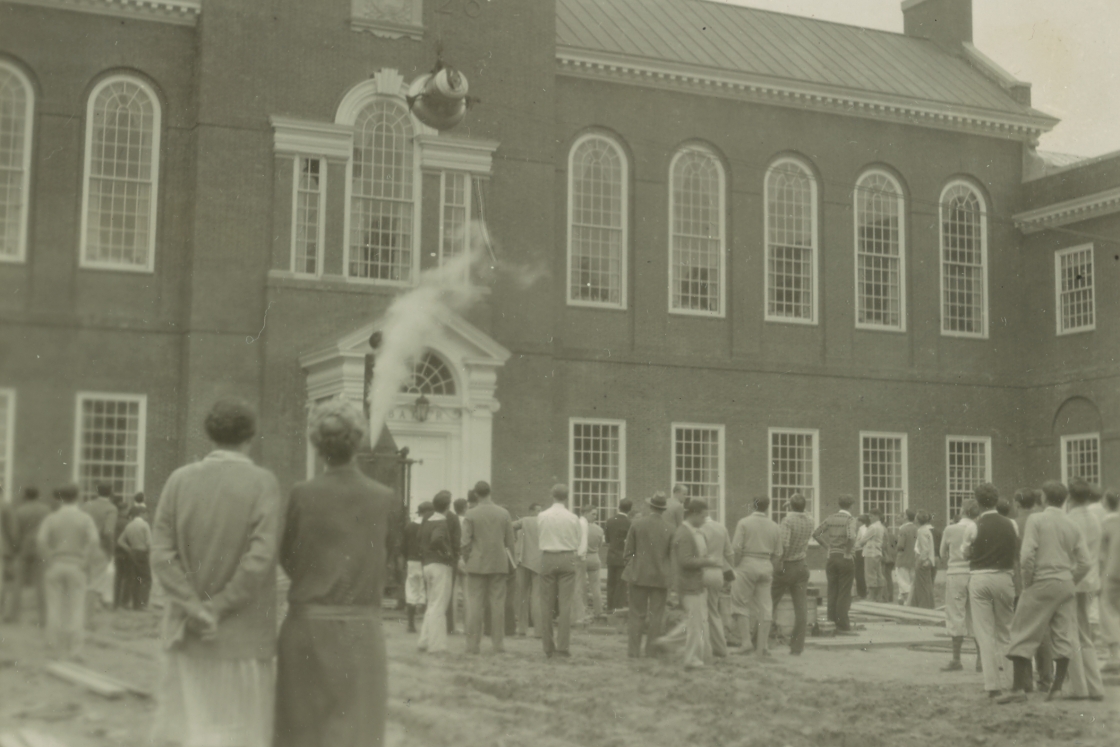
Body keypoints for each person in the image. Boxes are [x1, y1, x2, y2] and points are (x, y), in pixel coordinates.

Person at [151, 398, 283, 747]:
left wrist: (195, 608)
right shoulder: (262, 483)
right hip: (242, 642)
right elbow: (260, 558)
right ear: (250, 436)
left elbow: (162, 554)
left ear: (209, 435)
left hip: (187, 637)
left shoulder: (178, 480)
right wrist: (217, 607)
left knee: (188, 734)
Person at [273, 399, 394, 746]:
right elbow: (386, 559)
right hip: (361, 633)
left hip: (306, 629)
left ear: (317, 443)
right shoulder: (382, 496)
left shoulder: (302, 493)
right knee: (357, 733)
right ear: (357, 440)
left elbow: (289, 558)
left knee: (300, 733)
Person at [999, 480, 1091, 704]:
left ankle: (1018, 690)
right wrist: (1070, 578)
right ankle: (1057, 689)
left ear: (1043, 499)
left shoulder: (1037, 519)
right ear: (1065, 499)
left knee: (1022, 630)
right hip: (1065, 583)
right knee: (1062, 634)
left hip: (1041, 581)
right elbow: (1085, 563)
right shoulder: (1072, 524)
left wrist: (1029, 582)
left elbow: (1027, 555)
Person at [959, 483, 1017, 699]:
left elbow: (964, 554)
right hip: (1004, 577)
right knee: (1006, 631)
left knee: (984, 633)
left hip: (980, 578)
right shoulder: (1011, 524)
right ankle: (1012, 681)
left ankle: (992, 685)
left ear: (978, 501)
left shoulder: (973, 526)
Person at [654, 499, 722, 669]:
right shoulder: (685, 534)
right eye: (703, 516)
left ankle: (667, 642)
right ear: (694, 514)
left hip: (691, 583)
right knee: (695, 624)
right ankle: (690, 659)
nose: (704, 520)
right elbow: (685, 561)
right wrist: (708, 562)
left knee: (694, 621)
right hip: (689, 584)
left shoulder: (688, 531)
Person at [36, 485, 100, 658]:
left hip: (56, 564)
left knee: (54, 607)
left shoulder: (52, 518)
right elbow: (94, 541)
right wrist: (85, 561)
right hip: (76, 564)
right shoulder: (84, 518)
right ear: (78, 497)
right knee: (76, 607)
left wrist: (48, 559)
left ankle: (53, 646)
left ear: (60, 498)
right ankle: (75, 649)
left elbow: (41, 541)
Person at [460, 480, 514, 655]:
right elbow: (510, 543)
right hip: (499, 564)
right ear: (490, 492)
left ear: (476, 494)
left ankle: (472, 645)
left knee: (475, 605)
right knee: (498, 605)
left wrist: (467, 560)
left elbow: (465, 542)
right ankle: (498, 645)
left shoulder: (470, 514)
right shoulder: (504, 513)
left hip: (476, 564)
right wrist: (511, 564)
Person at [1064, 478, 1104, 700]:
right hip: (1090, 580)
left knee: (1073, 633)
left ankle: (1079, 688)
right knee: (1084, 631)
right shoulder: (1095, 519)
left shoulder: (1070, 520)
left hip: (1074, 579)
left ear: (1070, 497)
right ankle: (1094, 686)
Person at [622, 492, 673, 658]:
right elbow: (673, 557)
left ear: (650, 506)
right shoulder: (671, 528)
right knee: (656, 616)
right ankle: (651, 652)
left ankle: (633, 652)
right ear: (663, 509)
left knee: (636, 614)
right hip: (661, 577)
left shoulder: (637, 525)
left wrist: (635, 567)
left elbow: (628, 552)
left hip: (638, 576)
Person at [731, 497, 783, 656]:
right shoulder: (774, 526)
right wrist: (770, 566)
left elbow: (736, 548)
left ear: (753, 506)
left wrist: (736, 565)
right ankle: (763, 645)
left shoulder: (744, 523)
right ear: (767, 507)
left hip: (746, 563)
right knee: (765, 606)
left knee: (740, 603)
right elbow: (778, 553)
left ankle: (746, 642)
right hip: (766, 564)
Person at [536, 484, 582, 658]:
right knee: (565, 605)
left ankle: (548, 647)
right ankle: (563, 647)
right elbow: (577, 540)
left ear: (551, 495)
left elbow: (541, 535)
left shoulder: (542, 516)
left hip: (547, 557)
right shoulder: (572, 517)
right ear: (567, 497)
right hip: (567, 557)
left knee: (546, 604)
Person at [940, 500, 980, 672]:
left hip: (956, 574)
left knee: (956, 613)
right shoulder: (979, 528)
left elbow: (942, 553)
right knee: (978, 615)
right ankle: (981, 660)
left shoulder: (950, 529)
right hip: (975, 574)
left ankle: (956, 659)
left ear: (962, 511)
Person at [418, 491, 459, 654]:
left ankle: (424, 640)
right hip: (440, 565)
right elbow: (437, 539)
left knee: (432, 604)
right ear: (448, 507)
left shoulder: (427, 520)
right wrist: (447, 554)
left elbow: (419, 537)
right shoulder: (442, 521)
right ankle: (437, 646)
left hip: (427, 564)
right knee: (439, 605)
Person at [772, 493, 813, 655]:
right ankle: (797, 647)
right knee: (801, 608)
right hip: (802, 565)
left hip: (786, 565)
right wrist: (793, 506)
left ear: (790, 506)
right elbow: (804, 512)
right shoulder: (810, 520)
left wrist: (778, 561)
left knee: (769, 602)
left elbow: (784, 543)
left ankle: (759, 639)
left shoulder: (787, 520)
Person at [4, 486, 50, 625]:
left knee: (18, 582)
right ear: (38, 495)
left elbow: (16, 532)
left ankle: (13, 615)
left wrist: (16, 548)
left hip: (24, 546)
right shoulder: (46, 510)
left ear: (25, 496)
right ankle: (44, 618)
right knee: (41, 583)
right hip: (41, 547)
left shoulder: (20, 510)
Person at [814, 495, 859, 634]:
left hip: (832, 557)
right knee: (844, 593)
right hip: (845, 558)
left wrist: (828, 547)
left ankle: (831, 621)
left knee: (832, 591)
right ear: (851, 505)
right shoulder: (850, 520)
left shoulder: (830, 518)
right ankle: (843, 626)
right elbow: (851, 536)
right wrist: (847, 551)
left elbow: (816, 533)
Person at [697, 506, 734, 658]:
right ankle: (720, 648)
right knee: (714, 611)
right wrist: (730, 574)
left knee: (700, 611)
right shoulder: (721, 528)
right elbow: (730, 554)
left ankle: (703, 649)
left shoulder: (699, 529)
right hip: (718, 572)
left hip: (703, 572)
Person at [81, 482, 119, 626]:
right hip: (100, 547)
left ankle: (85, 613)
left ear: (97, 491)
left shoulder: (86, 505)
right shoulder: (111, 508)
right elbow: (108, 532)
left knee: (86, 580)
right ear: (111, 492)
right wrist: (110, 551)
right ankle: (89, 619)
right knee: (96, 583)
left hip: (83, 547)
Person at [403, 501, 433, 634]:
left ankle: (411, 624)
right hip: (427, 561)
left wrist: (406, 558)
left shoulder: (409, 526)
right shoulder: (431, 525)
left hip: (412, 561)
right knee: (427, 590)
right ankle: (428, 627)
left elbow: (404, 545)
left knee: (412, 590)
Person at [513, 503, 542, 637]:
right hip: (538, 562)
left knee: (522, 596)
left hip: (523, 561)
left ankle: (522, 629)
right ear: (532, 511)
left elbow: (509, 526)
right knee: (536, 597)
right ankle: (538, 630)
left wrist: (515, 540)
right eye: (538, 510)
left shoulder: (524, 520)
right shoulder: (543, 521)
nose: (539, 512)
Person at [1099, 490, 1120, 674]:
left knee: (1109, 611)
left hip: (1112, 573)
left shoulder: (1106, 523)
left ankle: (1115, 657)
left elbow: (1101, 554)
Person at [118, 504, 152, 610]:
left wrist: (129, 549)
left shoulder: (129, 525)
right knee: (146, 579)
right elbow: (149, 542)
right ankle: (142, 604)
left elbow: (120, 541)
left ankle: (133, 604)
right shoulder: (144, 525)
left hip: (132, 553)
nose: (147, 515)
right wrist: (150, 554)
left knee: (135, 578)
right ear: (141, 514)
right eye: (146, 513)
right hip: (142, 552)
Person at [604, 499, 632, 613]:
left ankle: (609, 607)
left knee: (611, 583)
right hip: (623, 558)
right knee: (621, 585)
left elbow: (607, 540)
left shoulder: (609, 521)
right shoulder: (630, 523)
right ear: (629, 509)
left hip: (611, 556)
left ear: (618, 507)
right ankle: (617, 609)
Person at [856, 510, 886, 602]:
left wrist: (857, 544)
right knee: (878, 574)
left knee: (870, 574)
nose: (869, 518)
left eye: (871, 516)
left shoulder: (873, 527)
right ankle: (879, 596)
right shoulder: (881, 526)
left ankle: (871, 597)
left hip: (870, 553)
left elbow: (863, 540)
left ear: (877, 516)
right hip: (878, 552)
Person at [581, 507, 605, 623]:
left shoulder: (579, 528)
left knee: (581, 586)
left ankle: (583, 611)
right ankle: (598, 611)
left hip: (582, 558)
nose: (595, 517)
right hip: (594, 557)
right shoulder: (599, 529)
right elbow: (600, 545)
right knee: (595, 586)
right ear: (586, 513)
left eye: (596, 514)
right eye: (594, 514)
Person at [447, 497, 467, 634]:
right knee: (467, 594)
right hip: (466, 557)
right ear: (465, 508)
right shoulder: (467, 521)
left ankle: (452, 625)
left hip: (454, 558)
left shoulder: (451, 521)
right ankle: (467, 626)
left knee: (453, 594)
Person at [910, 512, 936, 609]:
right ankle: (926, 605)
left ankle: (923, 606)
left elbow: (925, 549)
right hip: (927, 561)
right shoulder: (926, 530)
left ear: (917, 520)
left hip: (923, 562)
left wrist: (921, 561)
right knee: (925, 585)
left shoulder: (922, 531)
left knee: (922, 587)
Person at [112, 492, 133, 609]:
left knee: (118, 578)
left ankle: (115, 602)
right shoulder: (127, 523)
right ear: (123, 510)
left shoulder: (114, 521)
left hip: (117, 552)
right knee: (128, 577)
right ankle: (125, 602)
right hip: (126, 551)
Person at [895, 509, 918, 605]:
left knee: (903, 582)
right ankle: (902, 600)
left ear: (906, 517)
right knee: (911, 581)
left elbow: (900, 545)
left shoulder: (903, 529)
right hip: (913, 559)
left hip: (903, 559)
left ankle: (907, 602)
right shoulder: (916, 528)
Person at [854, 515, 870, 600]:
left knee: (858, 573)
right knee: (862, 572)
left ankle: (861, 592)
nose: (856, 523)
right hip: (863, 552)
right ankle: (863, 592)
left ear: (861, 522)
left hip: (860, 551)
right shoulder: (866, 528)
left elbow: (862, 541)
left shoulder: (862, 529)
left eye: (857, 521)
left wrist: (855, 545)